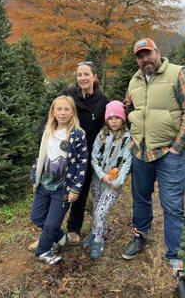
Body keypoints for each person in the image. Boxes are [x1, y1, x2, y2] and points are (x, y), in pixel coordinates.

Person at [122, 38, 185, 275]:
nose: (144, 59)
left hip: (169, 152)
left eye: (148, 54)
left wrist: (179, 145)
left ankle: (177, 256)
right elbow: (132, 107)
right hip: (140, 151)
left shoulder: (180, 74)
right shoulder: (135, 80)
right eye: (140, 56)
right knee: (140, 198)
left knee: (172, 206)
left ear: (158, 52)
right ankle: (141, 234)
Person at [30, 95, 88, 265]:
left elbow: (81, 163)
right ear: (53, 112)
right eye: (59, 109)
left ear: (72, 112)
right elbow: (41, 156)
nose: (63, 113)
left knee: (51, 223)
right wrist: (35, 176)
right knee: (36, 217)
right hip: (44, 183)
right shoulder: (48, 130)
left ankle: (44, 251)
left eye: (66, 109)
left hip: (63, 188)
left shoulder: (78, 134)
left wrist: (75, 189)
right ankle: (61, 237)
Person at [59, 62, 109, 244]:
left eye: (86, 74)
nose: (82, 78)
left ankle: (73, 229)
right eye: (79, 75)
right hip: (64, 152)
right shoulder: (69, 94)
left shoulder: (102, 101)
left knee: (80, 193)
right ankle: (50, 230)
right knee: (59, 191)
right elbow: (55, 114)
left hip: (86, 156)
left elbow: (109, 125)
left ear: (94, 77)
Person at [84, 100, 132, 260]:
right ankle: (97, 231)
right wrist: (101, 175)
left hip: (113, 184)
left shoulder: (126, 137)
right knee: (97, 208)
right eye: (110, 118)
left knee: (101, 212)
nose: (114, 121)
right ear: (106, 120)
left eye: (117, 118)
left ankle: (98, 240)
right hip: (98, 180)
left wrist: (118, 181)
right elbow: (94, 158)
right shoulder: (101, 135)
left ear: (123, 119)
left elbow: (127, 161)